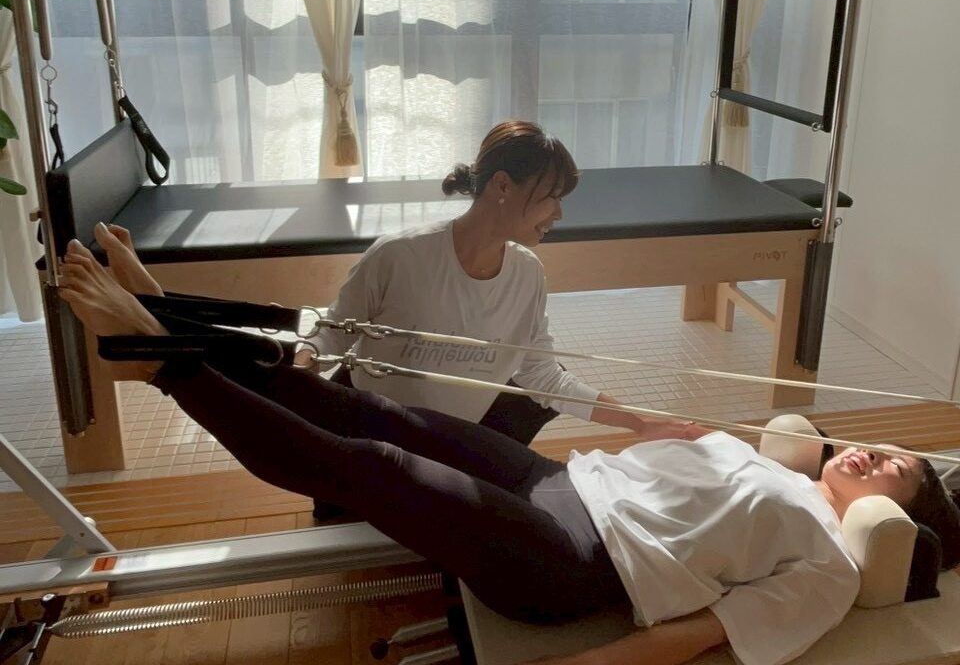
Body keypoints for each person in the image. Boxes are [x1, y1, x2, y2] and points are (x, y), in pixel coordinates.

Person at [59, 238, 960, 665]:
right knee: (375, 413)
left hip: (568, 559)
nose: (870, 454)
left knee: (370, 469)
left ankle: (160, 359)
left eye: (895, 470)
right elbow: (675, 461)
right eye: (878, 448)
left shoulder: (829, 566)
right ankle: (175, 324)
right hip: (564, 481)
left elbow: (700, 636)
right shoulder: (783, 466)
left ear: (897, 511)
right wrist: (648, 427)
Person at [296, 120, 699, 446]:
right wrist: (299, 364)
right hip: (372, 433)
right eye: (551, 196)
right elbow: (332, 335)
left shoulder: (527, 273)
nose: (559, 213)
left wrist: (641, 423)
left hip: (449, 440)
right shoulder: (400, 255)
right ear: (503, 185)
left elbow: (544, 376)